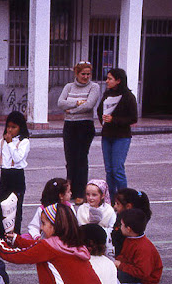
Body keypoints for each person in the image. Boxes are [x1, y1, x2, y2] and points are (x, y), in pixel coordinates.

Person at [58, 61, 101, 205]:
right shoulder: (69, 87)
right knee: (70, 159)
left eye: (88, 74)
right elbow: (60, 103)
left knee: (81, 159)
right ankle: (69, 190)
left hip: (85, 125)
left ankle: (80, 192)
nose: (86, 77)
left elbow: (89, 105)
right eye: (83, 74)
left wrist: (71, 110)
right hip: (69, 125)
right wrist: (77, 103)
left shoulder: (94, 87)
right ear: (76, 73)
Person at [97, 67, 138, 201]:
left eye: (110, 79)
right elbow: (100, 110)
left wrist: (114, 120)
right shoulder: (107, 94)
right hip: (107, 135)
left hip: (121, 137)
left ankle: (124, 198)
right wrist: (103, 120)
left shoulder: (128, 97)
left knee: (117, 169)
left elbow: (133, 118)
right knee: (109, 170)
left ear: (118, 80)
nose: (107, 81)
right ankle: (111, 198)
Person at [0, 111, 30, 237]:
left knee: (15, 208)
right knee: (1, 206)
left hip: (17, 175)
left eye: (13, 127)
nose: (10, 130)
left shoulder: (24, 142)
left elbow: (18, 158)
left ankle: (15, 235)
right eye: (8, 126)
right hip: (5, 175)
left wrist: (10, 143)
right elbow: (0, 159)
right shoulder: (2, 142)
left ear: (20, 128)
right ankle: (2, 235)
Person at [115, 208, 163, 284]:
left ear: (128, 229)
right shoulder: (131, 238)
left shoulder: (143, 247)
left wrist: (120, 265)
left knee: (112, 277)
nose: (120, 227)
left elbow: (142, 273)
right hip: (134, 270)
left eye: (122, 225)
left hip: (146, 281)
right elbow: (124, 256)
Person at [76, 179, 116, 257]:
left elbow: (112, 228)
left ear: (102, 195)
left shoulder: (109, 210)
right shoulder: (82, 209)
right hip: (85, 244)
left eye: (94, 195)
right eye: (88, 194)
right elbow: (78, 226)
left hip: (103, 244)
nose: (90, 198)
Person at [110, 188, 152, 257]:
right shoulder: (121, 215)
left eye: (118, 204)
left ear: (128, 206)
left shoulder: (131, 224)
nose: (115, 206)